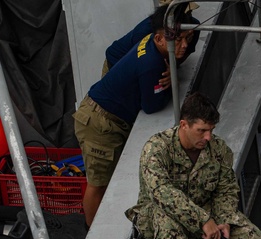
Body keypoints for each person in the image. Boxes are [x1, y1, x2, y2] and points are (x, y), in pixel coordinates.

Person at [126, 91, 261, 239]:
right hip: (159, 219)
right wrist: (202, 219)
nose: (208, 137)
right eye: (202, 130)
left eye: (211, 130)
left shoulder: (218, 150)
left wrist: (224, 220)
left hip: (206, 221)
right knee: (165, 209)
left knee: (252, 238)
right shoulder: (156, 149)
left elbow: (226, 189)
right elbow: (162, 193)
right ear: (184, 125)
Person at [75, 4, 190, 227]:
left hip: (107, 117)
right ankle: (92, 236)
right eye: (178, 40)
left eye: (187, 38)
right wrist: (169, 82)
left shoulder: (153, 44)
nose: (184, 46)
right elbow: (152, 105)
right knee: (98, 185)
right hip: (100, 123)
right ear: (158, 39)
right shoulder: (151, 64)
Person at [103, 1, 201, 76]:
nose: (185, 45)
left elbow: (182, 56)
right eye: (179, 39)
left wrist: (172, 69)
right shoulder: (145, 32)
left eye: (189, 12)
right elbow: (140, 66)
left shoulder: (193, 26)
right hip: (118, 61)